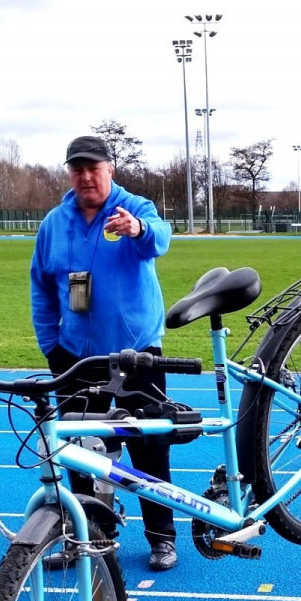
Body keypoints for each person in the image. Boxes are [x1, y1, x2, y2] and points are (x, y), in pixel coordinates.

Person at [29, 135, 178, 570]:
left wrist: (138, 228)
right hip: (77, 356)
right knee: (79, 450)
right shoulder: (55, 223)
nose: (86, 175)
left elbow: (160, 240)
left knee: (150, 446)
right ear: (69, 173)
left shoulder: (135, 207)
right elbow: (41, 286)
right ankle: (90, 537)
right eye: (77, 168)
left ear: (110, 169)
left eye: (94, 167)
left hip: (137, 354)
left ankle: (161, 537)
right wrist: (51, 346)